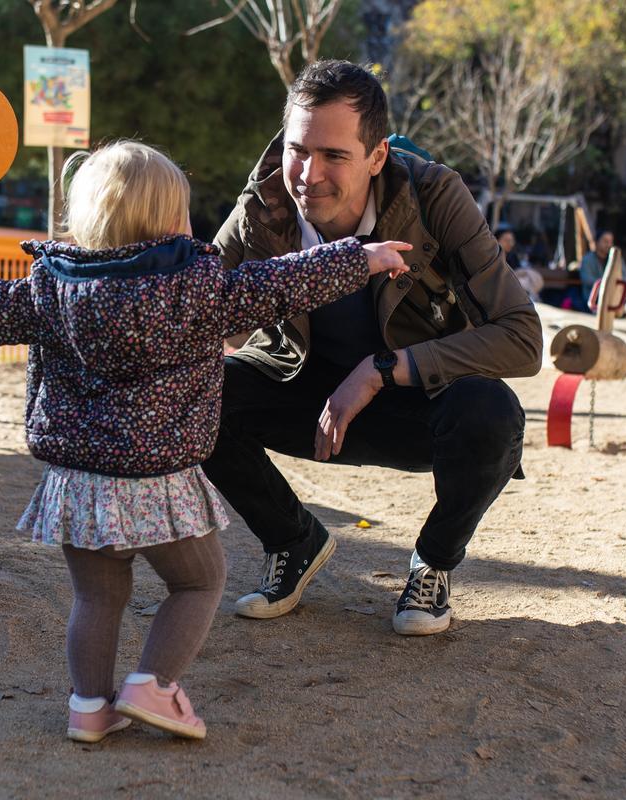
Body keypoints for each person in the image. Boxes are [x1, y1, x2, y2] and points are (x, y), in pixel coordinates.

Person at [0, 141, 412, 741]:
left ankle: (89, 708)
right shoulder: (199, 289)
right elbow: (278, 283)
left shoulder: (49, 290)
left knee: (96, 599)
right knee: (198, 582)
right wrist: (362, 257)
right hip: (158, 479)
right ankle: (154, 685)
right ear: (173, 221)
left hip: (79, 482)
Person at [203, 60, 542, 637]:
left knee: (493, 414)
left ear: (377, 156)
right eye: (298, 149)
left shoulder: (434, 194)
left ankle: (433, 563)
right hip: (304, 395)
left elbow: (522, 338)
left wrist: (382, 369)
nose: (309, 175)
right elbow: (196, 307)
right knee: (197, 393)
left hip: (416, 401)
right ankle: (293, 540)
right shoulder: (262, 204)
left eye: (334, 156)